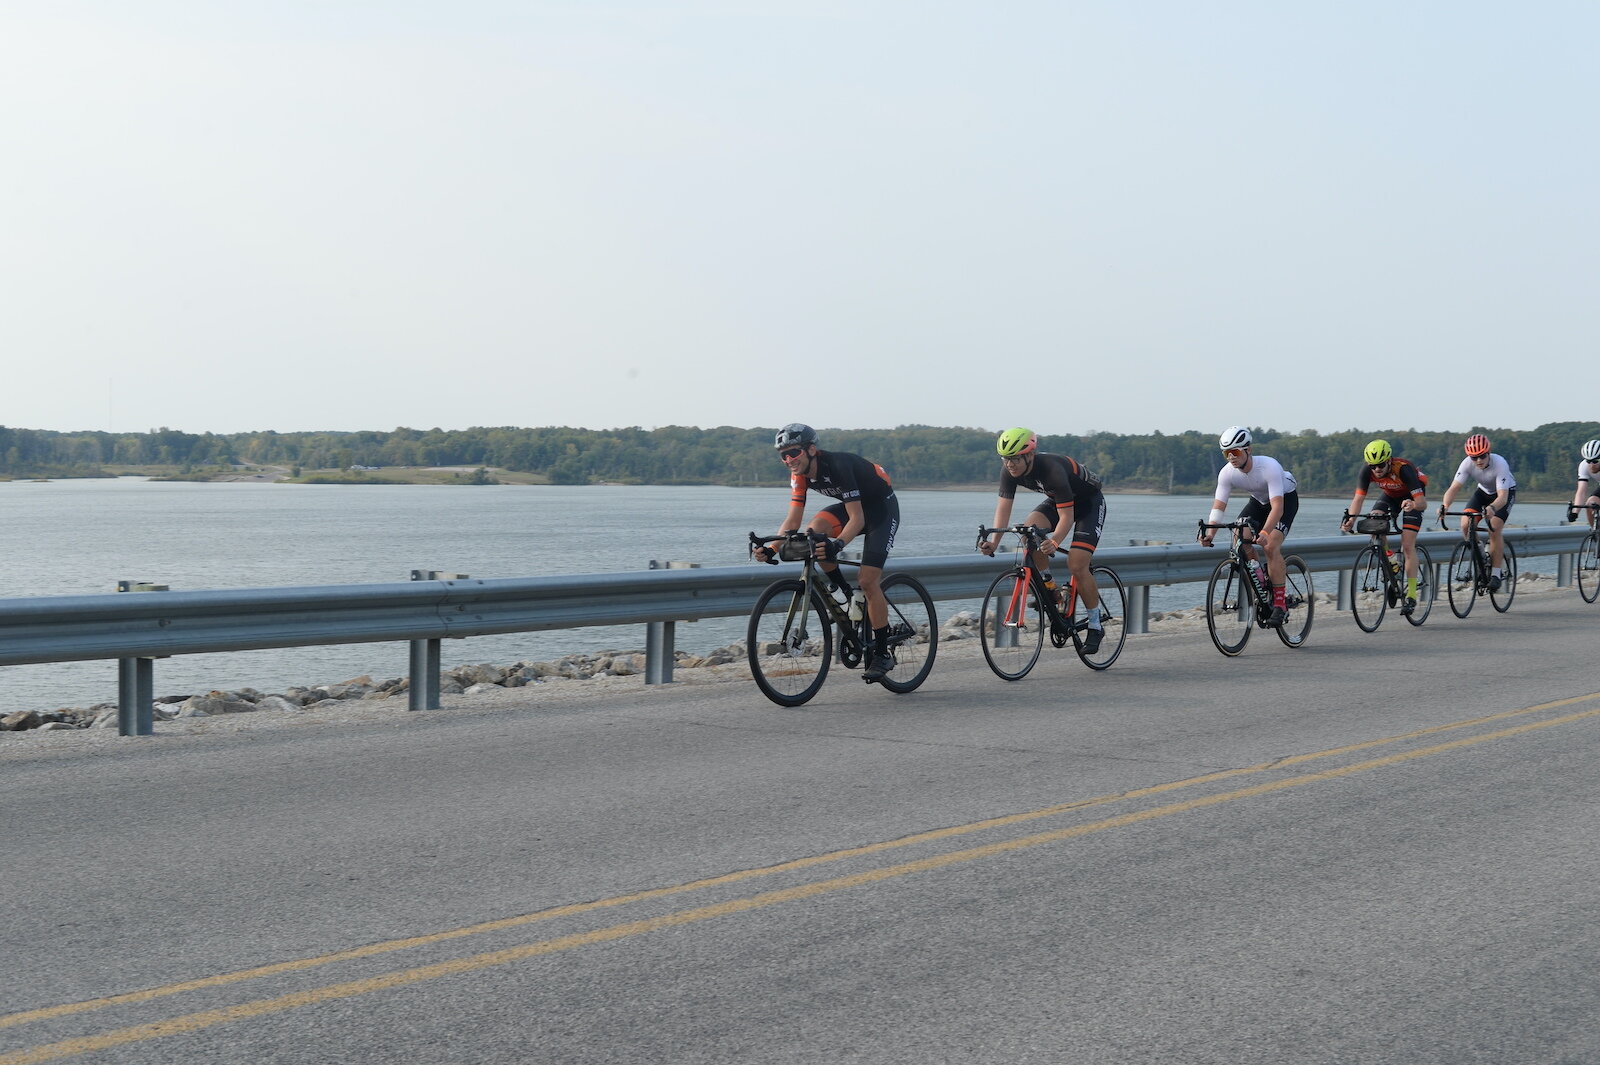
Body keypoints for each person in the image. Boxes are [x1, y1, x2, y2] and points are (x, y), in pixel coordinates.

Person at [752, 423, 902, 682]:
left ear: (812, 449)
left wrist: (838, 544)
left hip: (881, 511)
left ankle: (881, 653)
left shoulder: (839, 466)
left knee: (867, 580)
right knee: (814, 532)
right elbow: (792, 521)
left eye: (794, 453)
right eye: (783, 455)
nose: (789, 460)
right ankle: (843, 592)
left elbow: (856, 519)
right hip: (854, 507)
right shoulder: (799, 475)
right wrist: (771, 547)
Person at [977, 428, 1109, 653]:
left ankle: (1095, 625)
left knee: (1076, 564)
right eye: (1006, 459)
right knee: (1030, 532)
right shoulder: (1008, 471)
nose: (1010, 464)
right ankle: (1049, 587)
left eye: (1015, 458)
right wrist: (995, 542)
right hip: (1058, 502)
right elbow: (1003, 509)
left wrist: (1056, 541)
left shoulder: (1051, 470)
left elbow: (1066, 517)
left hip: (1088, 504)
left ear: (1030, 455)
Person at [1198, 426, 1299, 626]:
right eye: (1227, 453)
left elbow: (1277, 508)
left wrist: (1264, 532)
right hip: (1259, 502)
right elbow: (1219, 506)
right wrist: (1210, 534)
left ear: (1248, 450)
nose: (1231, 458)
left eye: (1235, 452)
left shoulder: (1269, 466)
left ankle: (1280, 604)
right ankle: (1261, 582)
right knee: (1238, 538)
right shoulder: (1227, 473)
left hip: (1284, 501)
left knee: (1270, 545)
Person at [1340, 439, 1428, 614]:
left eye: (1380, 465)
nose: (1377, 469)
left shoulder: (1403, 469)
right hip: (1390, 496)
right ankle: (1392, 563)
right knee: (1374, 521)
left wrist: (1413, 505)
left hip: (1412, 497)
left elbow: (1422, 503)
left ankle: (1410, 596)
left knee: (1407, 545)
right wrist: (1351, 519)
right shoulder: (1367, 470)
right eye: (1373, 466)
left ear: (1388, 461)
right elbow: (1358, 499)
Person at [1438, 433, 1516, 592]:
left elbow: (1502, 497)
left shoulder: (1500, 463)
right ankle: (1481, 556)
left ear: (1488, 452)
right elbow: (1454, 488)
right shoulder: (1467, 464)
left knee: (1493, 528)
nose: (1478, 460)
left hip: (1504, 494)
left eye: (1482, 456)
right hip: (1482, 493)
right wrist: (1445, 505)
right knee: (1466, 524)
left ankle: (1495, 573)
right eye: (1474, 458)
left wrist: (1492, 508)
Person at [1571, 439, 1600, 528]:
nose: (1591, 464)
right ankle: (1596, 533)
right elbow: (1581, 491)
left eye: (1595, 461)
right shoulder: (1583, 466)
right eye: (1588, 461)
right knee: (1590, 504)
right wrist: (1575, 512)